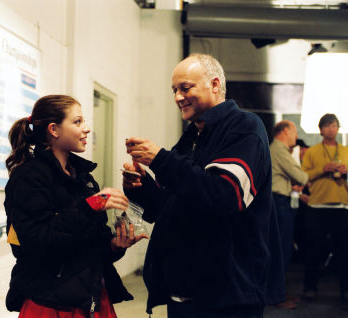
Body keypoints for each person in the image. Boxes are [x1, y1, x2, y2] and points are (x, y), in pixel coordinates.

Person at [122, 53, 285, 317]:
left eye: (185, 88)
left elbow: (225, 196)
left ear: (215, 84)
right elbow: (167, 209)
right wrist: (140, 187)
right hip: (185, 293)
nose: (177, 97)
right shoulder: (189, 140)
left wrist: (162, 159)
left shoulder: (244, 127)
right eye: (174, 90)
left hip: (227, 297)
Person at [4, 95, 147, 317]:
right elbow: (37, 241)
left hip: (90, 296)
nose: (87, 129)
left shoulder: (84, 179)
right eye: (78, 122)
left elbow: (91, 246)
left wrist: (115, 246)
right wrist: (91, 206)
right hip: (51, 302)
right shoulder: (28, 177)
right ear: (54, 129)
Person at [300, 113, 348, 301]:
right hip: (317, 206)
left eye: (334, 126)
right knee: (313, 250)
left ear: (338, 128)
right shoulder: (312, 151)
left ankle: (345, 288)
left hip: (341, 206)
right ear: (320, 130)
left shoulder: (345, 150)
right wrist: (324, 169)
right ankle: (309, 287)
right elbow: (303, 177)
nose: (331, 129)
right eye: (327, 126)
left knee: (343, 251)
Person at [270, 121, 309, 309]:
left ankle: (278, 293)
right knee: (281, 250)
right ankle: (276, 297)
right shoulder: (279, 149)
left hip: (279, 202)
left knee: (281, 250)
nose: (296, 136)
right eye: (294, 132)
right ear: (285, 131)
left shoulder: (277, 150)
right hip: (279, 204)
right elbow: (301, 177)